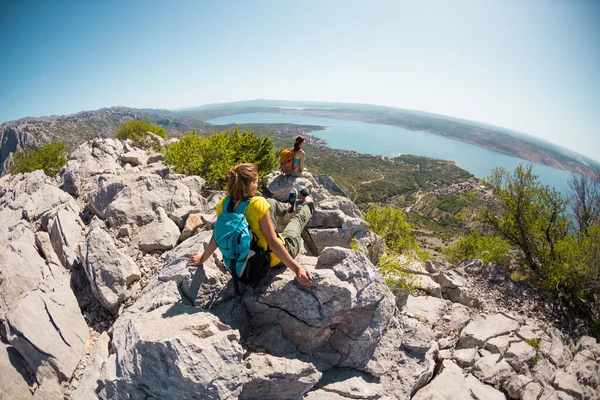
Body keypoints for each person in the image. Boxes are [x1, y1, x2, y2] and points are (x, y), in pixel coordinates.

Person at [188, 163, 314, 287]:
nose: (258, 184)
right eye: (256, 181)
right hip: (269, 259)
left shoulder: (224, 204)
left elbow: (217, 236)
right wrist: (298, 270)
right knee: (296, 223)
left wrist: (202, 258)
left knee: (269, 202)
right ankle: (308, 203)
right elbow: (273, 244)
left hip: (241, 259)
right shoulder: (258, 204)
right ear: (249, 185)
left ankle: (289, 207)